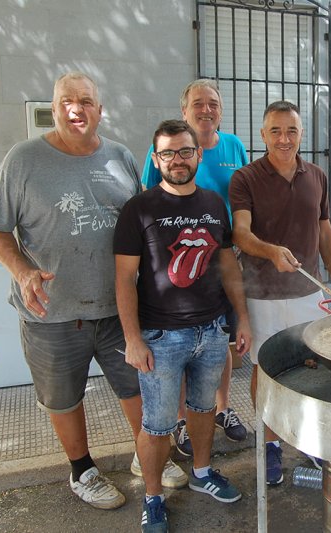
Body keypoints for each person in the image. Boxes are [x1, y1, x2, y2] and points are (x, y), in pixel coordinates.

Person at [0, 71, 186, 511]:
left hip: (118, 308)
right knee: (64, 397)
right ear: (54, 108)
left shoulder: (120, 157)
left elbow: (142, 222)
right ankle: (82, 471)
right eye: (67, 101)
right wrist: (22, 271)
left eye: (86, 101)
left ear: (100, 110)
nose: (77, 108)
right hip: (52, 311)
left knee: (138, 386)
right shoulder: (23, 160)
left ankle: (144, 455)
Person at [115, 119, 251, 531]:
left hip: (211, 332)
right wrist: (133, 339)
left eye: (185, 151)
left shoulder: (213, 203)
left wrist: (240, 317)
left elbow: (227, 264)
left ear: (199, 154)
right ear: (155, 160)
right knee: (156, 425)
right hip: (160, 338)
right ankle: (153, 496)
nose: (177, 160)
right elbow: (124, 279)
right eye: (168, 153)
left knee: (203, 408)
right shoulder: (139, 209)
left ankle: (203, 472)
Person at [229, 100, 331, 485]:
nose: (284, 138)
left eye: (292, 131)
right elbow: (240, 235)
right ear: (263, 135)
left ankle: (309, 442)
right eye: (276, 131)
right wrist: (270, 250)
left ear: (301, 134)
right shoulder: (245, 178)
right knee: (266, 372)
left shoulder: (316, 175)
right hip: (262, 296)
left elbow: (325, 231)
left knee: (312, 369)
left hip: (307, 293)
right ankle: (269, 446)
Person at [142, 79, 249, 452]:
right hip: (178, 262)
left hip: (222, 258)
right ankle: (184, 421)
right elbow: (148, 199)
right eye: (198, 104)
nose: (206, 110)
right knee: (185, 340)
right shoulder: (166, 151)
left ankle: (222, 408)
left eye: (213, 103)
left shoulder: (234, 146)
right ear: (184, 111)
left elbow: (244, 200)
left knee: (216, 341)